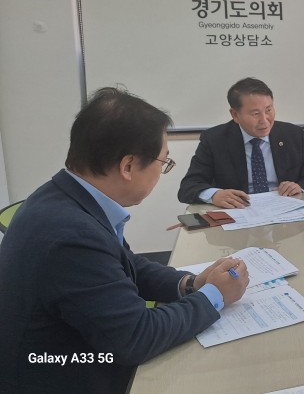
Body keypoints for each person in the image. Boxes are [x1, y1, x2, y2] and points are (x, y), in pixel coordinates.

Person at [0, 88, 250, 394]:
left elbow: (126, 264)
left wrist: (191, 284)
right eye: (164, 162)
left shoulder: (65, 196)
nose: (162, 171)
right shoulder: (72, 236)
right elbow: (136, 338)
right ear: (128, 166)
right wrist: (215, 296)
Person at [178, 77, 304, 207]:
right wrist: (214, 195)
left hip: (284, 211)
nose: (264, 120)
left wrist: (298, 186)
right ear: (235, 114)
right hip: (238, 213)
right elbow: (188, 187)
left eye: (268, 110)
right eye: (255, 114)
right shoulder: (214, 139)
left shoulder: (293, 134)